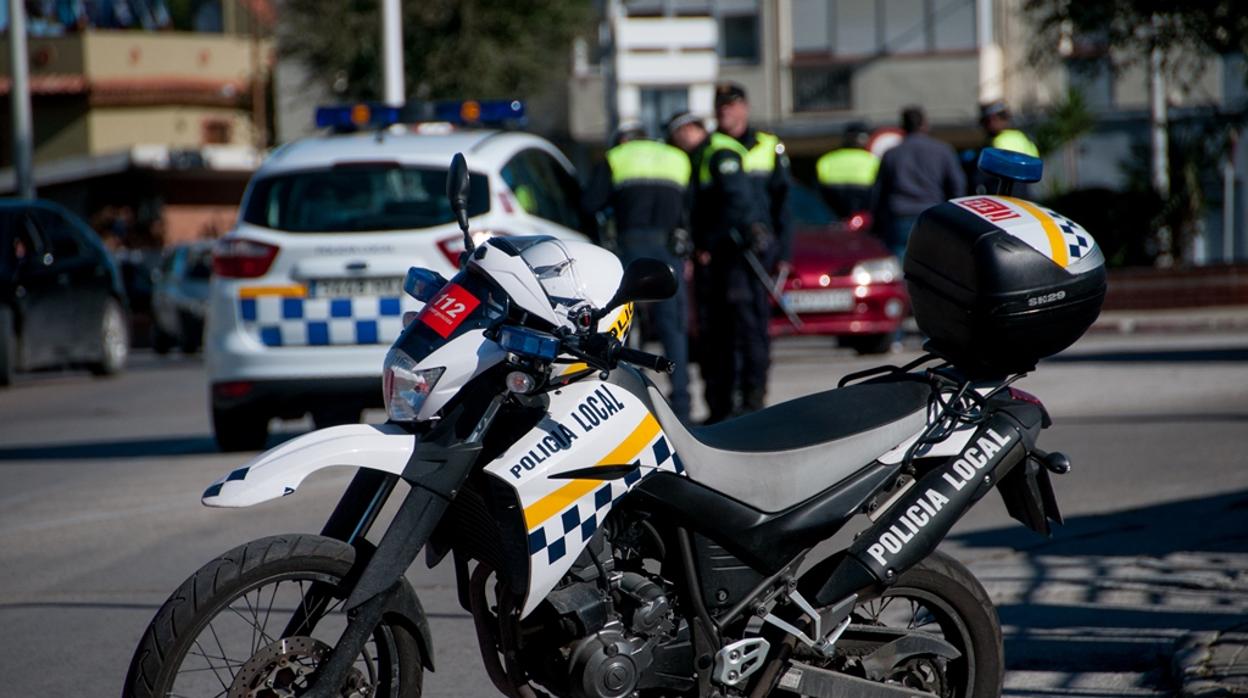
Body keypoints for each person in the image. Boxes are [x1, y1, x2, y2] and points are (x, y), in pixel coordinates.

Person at [581, 120, 695, 421]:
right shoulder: (677, 158)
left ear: (622, 140)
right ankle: (682, 403)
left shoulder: (616, 157)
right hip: (670, 251)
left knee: (623, 324)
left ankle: (625, 399)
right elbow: (691, 208)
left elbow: (590, 204)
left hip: (630, 249)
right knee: (674, 328)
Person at [667, 110, 773, 424]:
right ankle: (722, 406)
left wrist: (711, 245)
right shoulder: (702, 156)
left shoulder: (719, 152)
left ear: (687, 130)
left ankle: (750, 404)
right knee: (718, 336)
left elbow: (737, 204)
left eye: (676, 135)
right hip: (718, 261)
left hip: (732, 260)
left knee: (742, 332)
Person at [870, 105, 966, 260]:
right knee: (933, 261)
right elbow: (957, 186)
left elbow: (880, 192)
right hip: (932, 214)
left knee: (901, 262)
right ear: (925, 125)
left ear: (903, 126)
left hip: (899, 216)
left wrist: (876, 223)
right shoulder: (942, 151)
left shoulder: (892, 154)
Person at [968, 100, 1041, 195]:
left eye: (985, 122)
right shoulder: (1022, 137)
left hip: (1003, 195)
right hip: (1024, 196)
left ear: (993, 119)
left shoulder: (997, 141)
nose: (984, 127)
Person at [816, 122, 880, 219]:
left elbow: (819, 193)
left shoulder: (826, 160)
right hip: (864, 215)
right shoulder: (873, 161)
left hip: (832, 215)